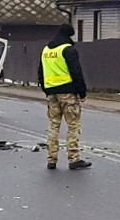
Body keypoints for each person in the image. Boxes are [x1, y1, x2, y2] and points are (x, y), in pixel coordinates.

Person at [38, 23, 91, 170]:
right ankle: (74, 158)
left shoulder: (46, 50)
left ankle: (51, 159)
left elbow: (40, 73)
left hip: (51, 94)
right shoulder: (68, 49)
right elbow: (76, 71)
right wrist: (82, 92)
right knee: (73, 125)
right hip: (67, 93)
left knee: (53, 126)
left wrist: (47, 90)